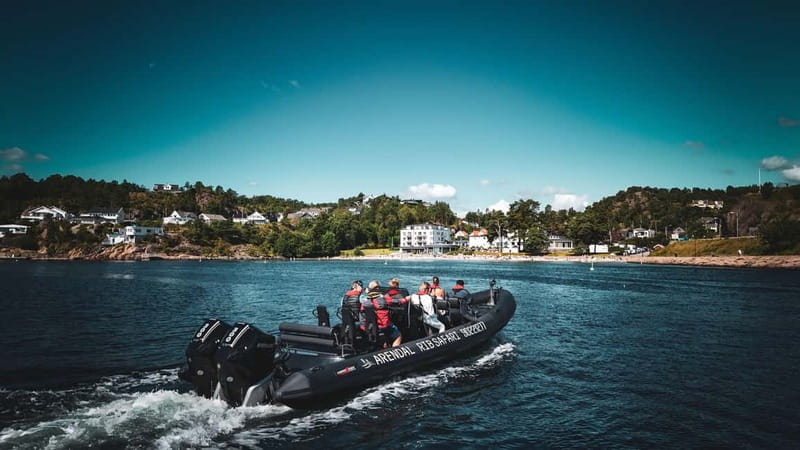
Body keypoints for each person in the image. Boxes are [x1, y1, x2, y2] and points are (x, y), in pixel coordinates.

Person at [362, 280, 407, 347]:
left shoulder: (364, 300)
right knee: (398, 335)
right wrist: (406, 299)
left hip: (370, 325)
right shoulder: (382, 297)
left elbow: (362, 312)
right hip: (383, 324)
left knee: (383, 339)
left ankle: (383, 345)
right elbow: (394, 301)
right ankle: (394, 351)